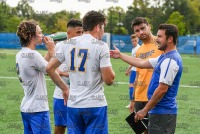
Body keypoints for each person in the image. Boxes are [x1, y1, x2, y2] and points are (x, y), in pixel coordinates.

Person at [46, 10, 115, 134]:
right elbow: (109, 80)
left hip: (73, 105)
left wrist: (64, 89)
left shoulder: (67, 44)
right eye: (103, 27)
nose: (103, 31)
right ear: (98, 26)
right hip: (94, 105)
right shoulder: (101, 46)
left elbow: (49, 68)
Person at [110, 24, 183, 134]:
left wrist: (145, 110)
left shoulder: (170, 60)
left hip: (163, 113)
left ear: (170, 39)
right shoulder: (164, 57)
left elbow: (162, 89)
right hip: (157, 110)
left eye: (160, 37)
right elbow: (141, 63)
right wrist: (120, 55)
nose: (157, 39)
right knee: (141, 129)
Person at [15, 20, 67, 134]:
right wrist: (53, 50)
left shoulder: (21, 54)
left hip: (26, 108)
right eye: (39, 33)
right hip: (38, 109)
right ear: (30, 36)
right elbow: (50, 70)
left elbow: (42, 65)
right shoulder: (33, 55)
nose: (42, 35)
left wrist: (49, 52)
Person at [129, 18, 163, 132]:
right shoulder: (139, 50)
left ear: (149, 26)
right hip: (139, 97)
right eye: (137, 30)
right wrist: (133, 99)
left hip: (154, 96)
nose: (140, 32)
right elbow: (138, 75)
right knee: (141, 130)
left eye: (143, 28)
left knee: (156, 131)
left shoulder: (160, 43)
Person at [53, 19, 83, 134]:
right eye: (78, 32)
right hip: (61, 95)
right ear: (69, 33)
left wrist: (64, 73)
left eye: (82, 32)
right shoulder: (60, 46)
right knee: (60, 126)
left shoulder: (84, 47)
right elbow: (50, 68)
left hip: (79, 95)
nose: (80, 35)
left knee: (76, 127)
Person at [125, 34, 140, 108]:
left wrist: (128, 69)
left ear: (138, 40)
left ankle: (132, 103)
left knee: (133, 86)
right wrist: (130, 68)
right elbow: (132, 60)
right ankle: (132, 102)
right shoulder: (133, 49)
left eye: (135, 41)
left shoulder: (139, 49)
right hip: (133, 70)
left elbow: (136, 61)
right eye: (133, 41)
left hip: (137, 70)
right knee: (132, 86)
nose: (134, 42)